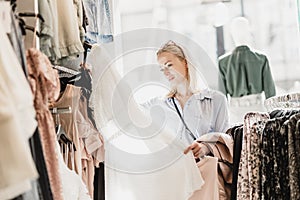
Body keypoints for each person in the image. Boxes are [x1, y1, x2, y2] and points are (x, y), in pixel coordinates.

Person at [143, 40, 230, 160]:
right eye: (162, 69)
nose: (166, 72)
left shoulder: (216, 100)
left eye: (169, 65)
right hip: (175, 172)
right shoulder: (158, 103)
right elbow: (130, 112)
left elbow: (225, 142)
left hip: (205, 172)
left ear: (185, 62)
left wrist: (204, 148)